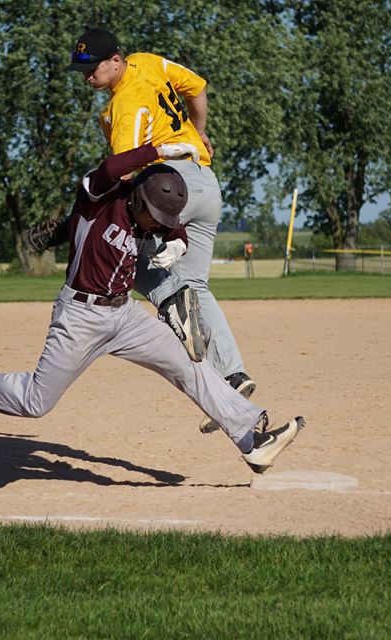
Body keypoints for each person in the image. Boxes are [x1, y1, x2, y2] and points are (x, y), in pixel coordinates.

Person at [0, 144, 304, 474]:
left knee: (191, 365)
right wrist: (159, 150)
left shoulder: (151, 215)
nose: (161, 224)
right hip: (80, 317)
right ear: (139, 197)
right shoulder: (100, 198)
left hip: (125, 315)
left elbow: (176, 228)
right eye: (158, 216)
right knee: (35, 402)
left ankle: (251, 438)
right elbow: (112, 167)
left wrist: (178, 243)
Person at [65, 27, 255, 435]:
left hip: (167, 191)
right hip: (206, 181)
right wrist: (200, 133)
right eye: (80, 69)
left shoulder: (124, 108)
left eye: (91, 67)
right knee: (197, 285)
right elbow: (198, 89)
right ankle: (234, 375)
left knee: (130, 267)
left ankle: (175, 307)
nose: (86, 76)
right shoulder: (149, 62)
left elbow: (126, 173)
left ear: (115, 60)